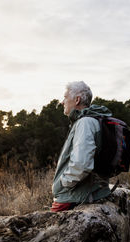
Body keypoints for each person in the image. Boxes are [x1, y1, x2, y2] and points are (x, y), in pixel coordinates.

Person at [51, 81, 112, 212]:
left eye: (65, 97)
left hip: (75, 198)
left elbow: (81, 163)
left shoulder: (85, 123)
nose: (62, 102)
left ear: (77, 100)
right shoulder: (91, 120)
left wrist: (63, 183)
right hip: (81, 195)